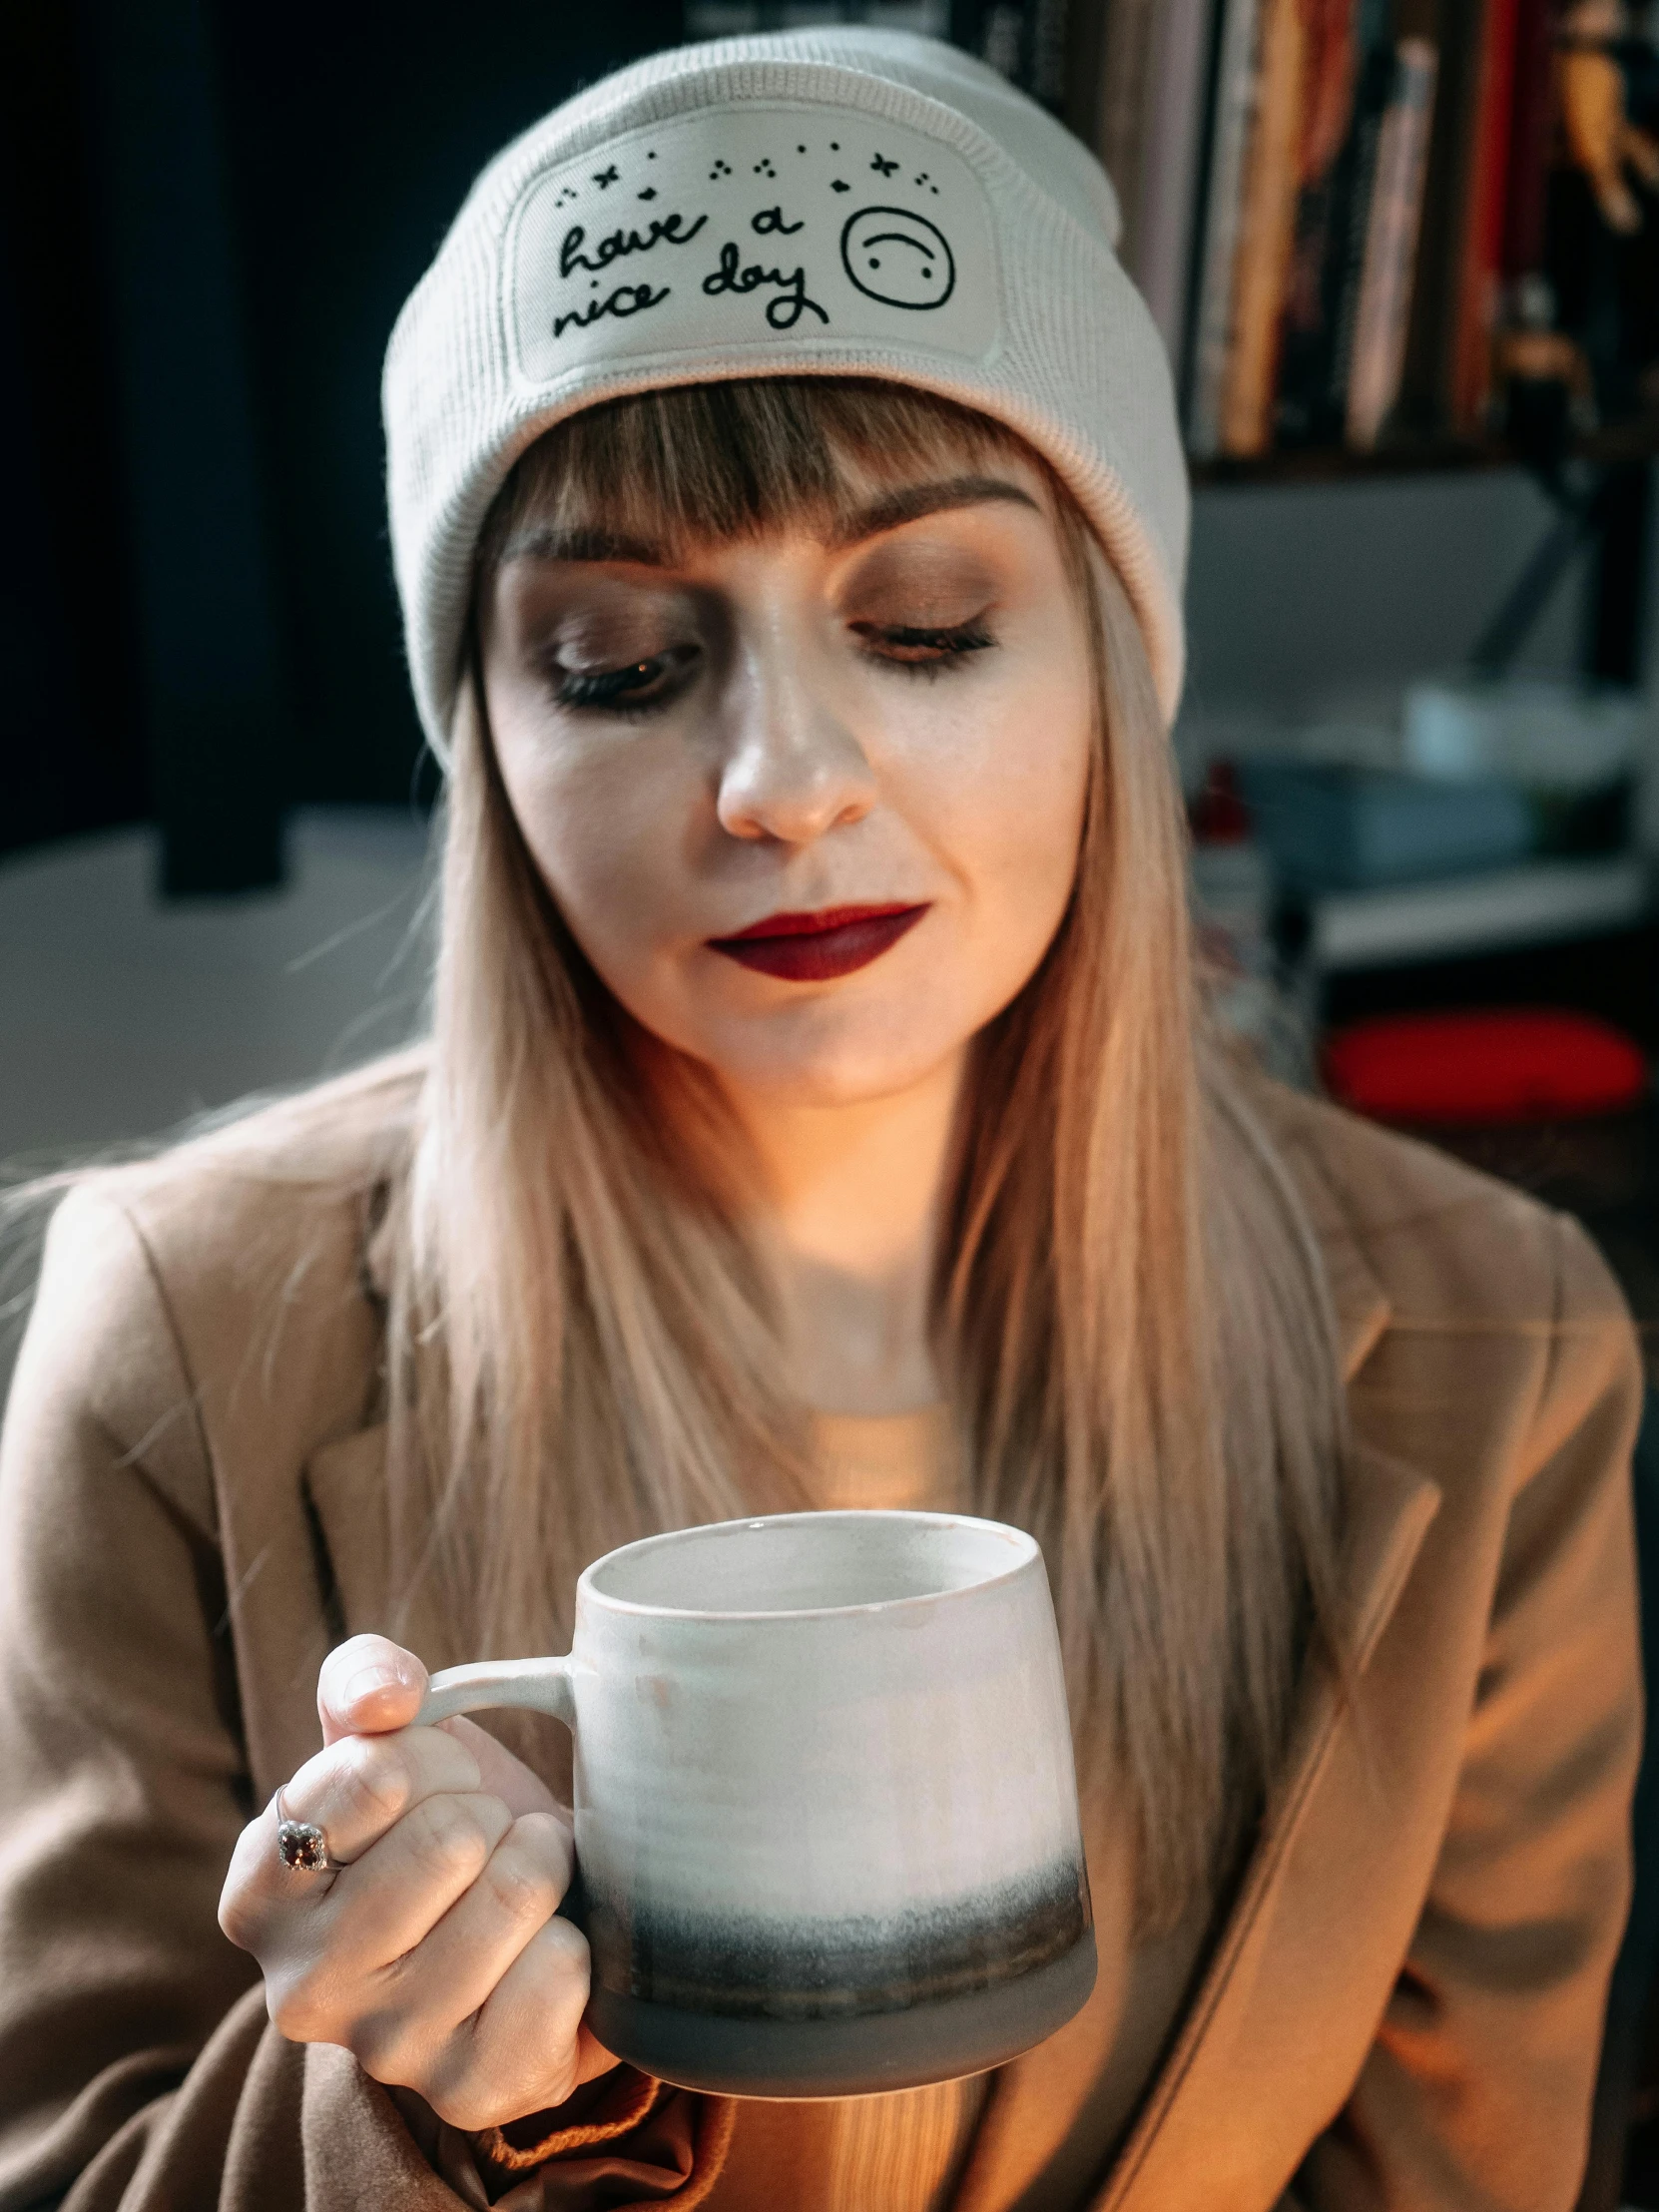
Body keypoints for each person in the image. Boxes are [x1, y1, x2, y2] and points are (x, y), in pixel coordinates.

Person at [0, 28, 1643, 2212]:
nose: (783, 781)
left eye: (929, 625)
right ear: (489, 736)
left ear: (1107, 657)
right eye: (617, 664)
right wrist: (393, 2111)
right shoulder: (182, 1337)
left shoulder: (1502, 1354)